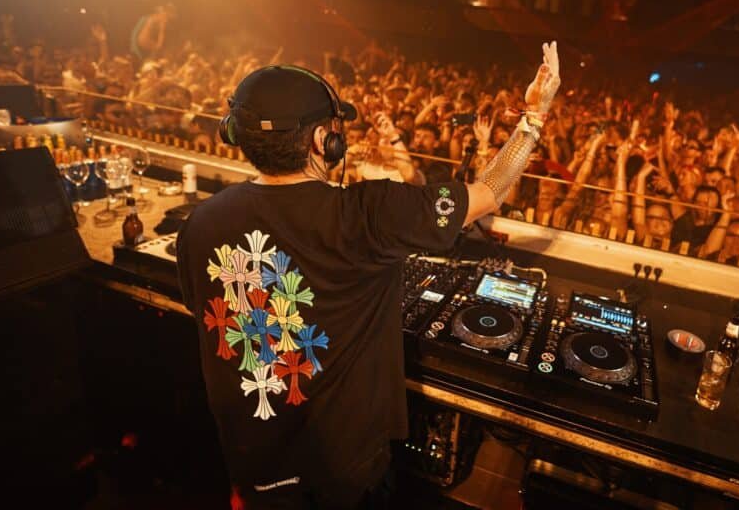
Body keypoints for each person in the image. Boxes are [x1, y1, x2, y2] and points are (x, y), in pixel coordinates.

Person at [176, 42, 561, 508]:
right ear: (323, 140)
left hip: (252, 472)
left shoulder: (199, 223)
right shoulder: (371, 213)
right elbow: (490, 192)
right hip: (344, 477)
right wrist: (533, 117)